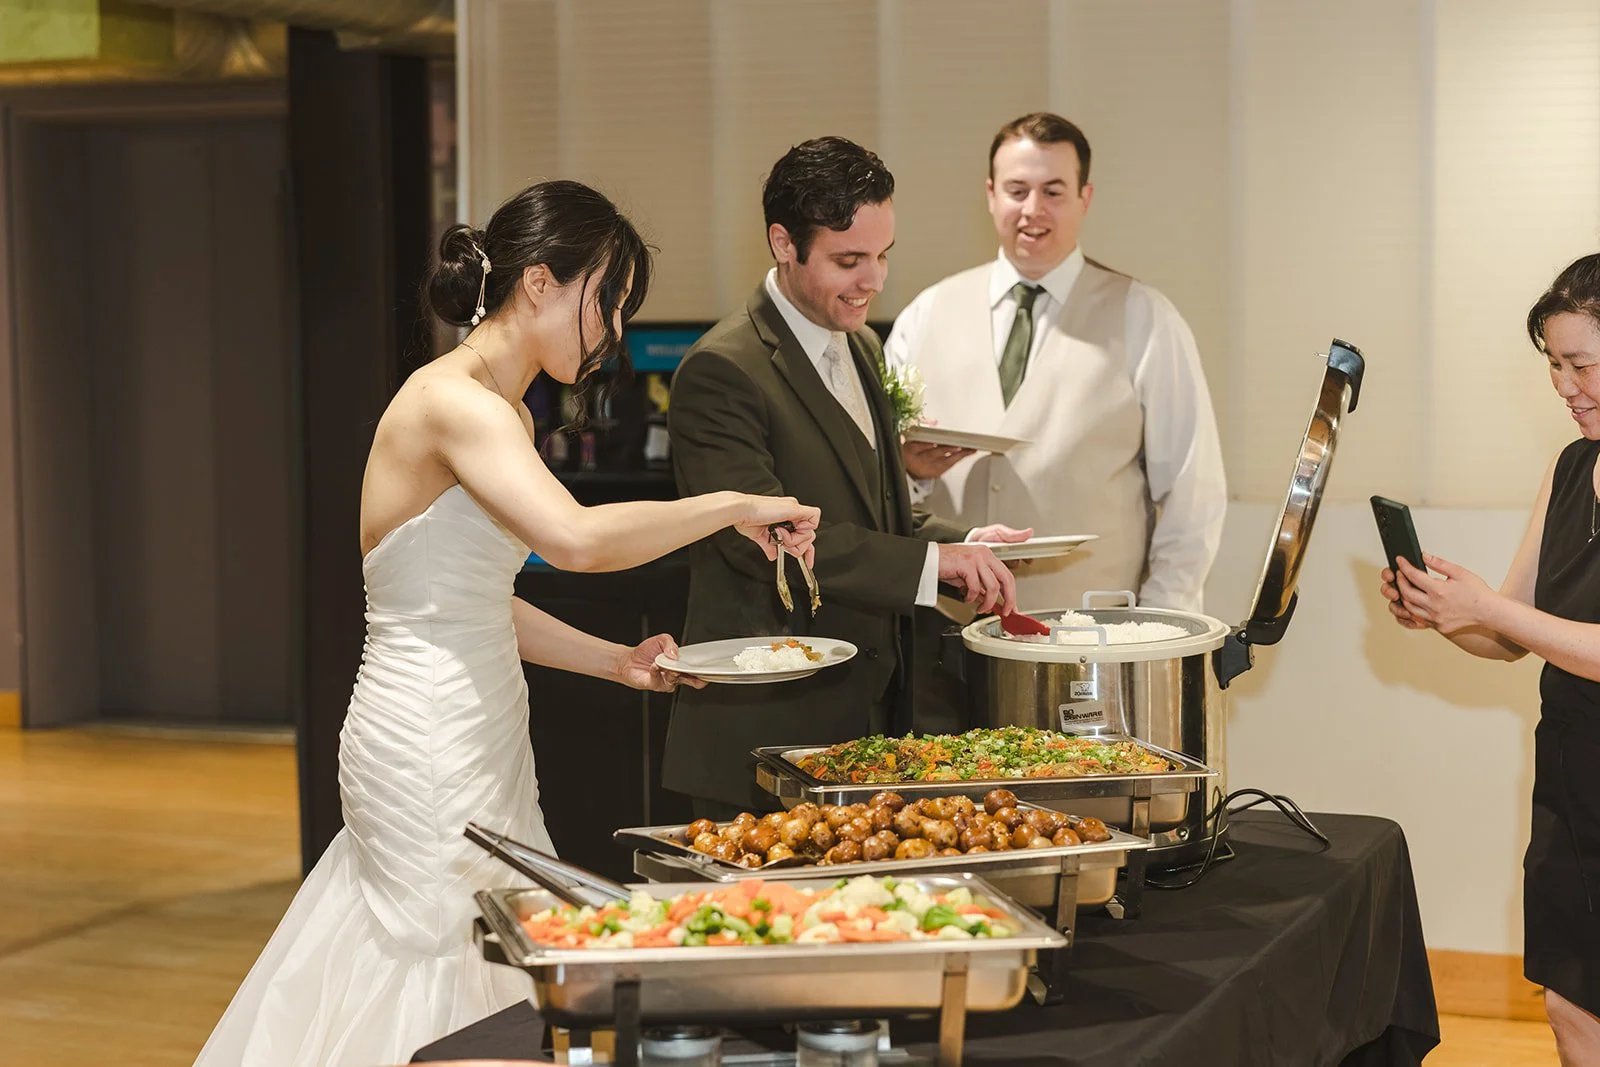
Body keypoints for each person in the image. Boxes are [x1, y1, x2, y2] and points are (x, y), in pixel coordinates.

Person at [194, 180, 821, 1067]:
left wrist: (615, 661)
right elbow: (574, 540)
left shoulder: (500, 408)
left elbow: (476, 599)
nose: (611, 331)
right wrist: (729, 504)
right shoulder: (456, 403)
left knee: (498, 946)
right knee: (442, 945)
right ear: (538, 283)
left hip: (483, 727)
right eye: (605, 301)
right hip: (424, 736)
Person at [664, 137, 1028, 816]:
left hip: (870, 727)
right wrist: (932, 562)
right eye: (849, 260)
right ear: (783, 242)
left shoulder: (860, 342)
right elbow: (769, 544)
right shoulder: (721, 373)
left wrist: (965, 541)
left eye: (884, 254)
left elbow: (869, 511)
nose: (875, 280)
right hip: (769, 739)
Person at [1381, 253, 1600, 1065]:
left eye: (1581, 363)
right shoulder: (1572, 466)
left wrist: (1492, 609)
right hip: (1574, 791)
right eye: (1553, 365)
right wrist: (1445, 613)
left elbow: (1518, 619)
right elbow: (1514, 632)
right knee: (1572, 1008)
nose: (1564, 386)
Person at [884, 112, 1226, 615]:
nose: (1033, 209)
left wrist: (1158, 623)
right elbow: (875, 479)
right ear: (990, 194)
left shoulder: (1144, 316)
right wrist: (912, 472)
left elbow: (1192, 495)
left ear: (1085, 198)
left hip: (1089, 631)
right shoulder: (926, 312)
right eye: (1017, 190)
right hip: (939, 632)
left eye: (1053, 191)